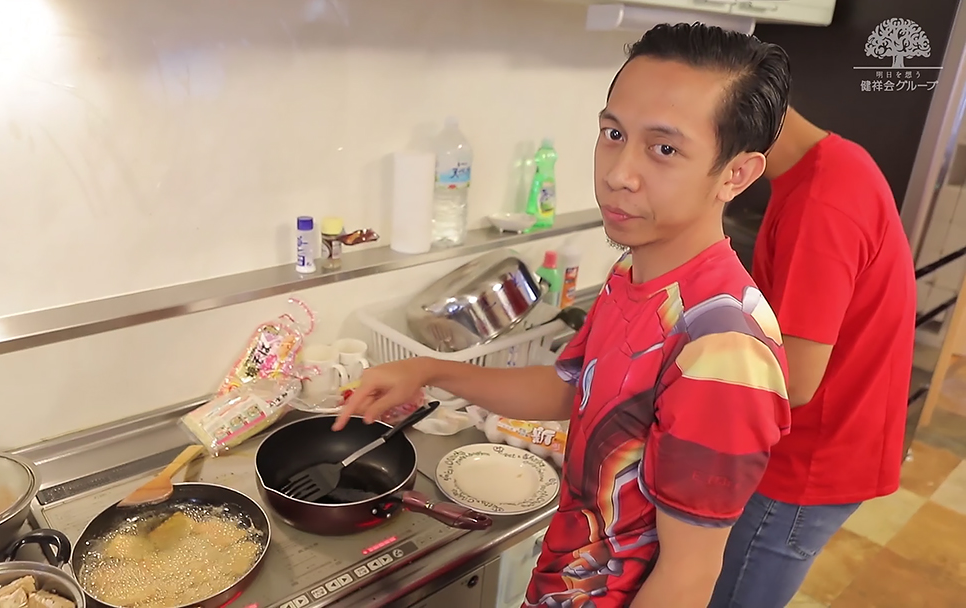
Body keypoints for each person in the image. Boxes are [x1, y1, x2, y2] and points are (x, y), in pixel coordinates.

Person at [334, 23, 793, 607]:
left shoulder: (724, 348)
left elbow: (687, 577)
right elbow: (569, 390)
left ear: (736, 174)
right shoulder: (634, 275)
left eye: (664, 149)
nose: (618, 173)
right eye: (613, 134)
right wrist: (428, 370)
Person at [708, 108, 917, 608]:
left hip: (806, 462)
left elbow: (796, 381)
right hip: (835, 441)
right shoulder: (837, 163)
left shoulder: (820, 204)